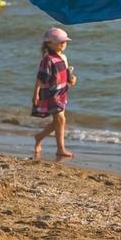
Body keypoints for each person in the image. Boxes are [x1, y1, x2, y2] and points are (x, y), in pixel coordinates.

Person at [32, 27, 77, 158]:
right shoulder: (47, 59)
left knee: (58, 121)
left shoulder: (63, 57)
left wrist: (72, 79)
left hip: (62, 91)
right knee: (61, 119)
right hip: (50, 93)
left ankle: (39, 137)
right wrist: (36, 93)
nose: (63, 44)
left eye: (65, 41)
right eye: (60, 42)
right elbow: (41, 78)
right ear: (49, 43)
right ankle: (60, 149)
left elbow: (66, 74)